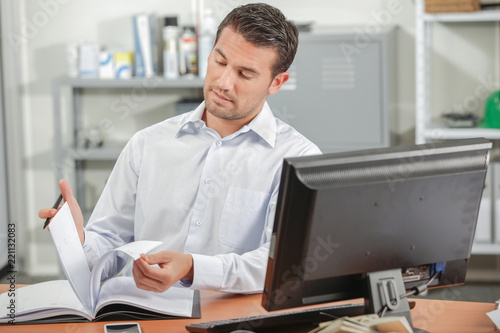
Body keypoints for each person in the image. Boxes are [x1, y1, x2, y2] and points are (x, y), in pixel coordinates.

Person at [39, 3, 321, 294]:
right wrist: (76, 239)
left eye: (245, 74)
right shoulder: (147, 144)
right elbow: (106, 250)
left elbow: (282, 265)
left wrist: (191, 268)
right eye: (220, 62)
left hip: (235, 321)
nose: (223, 83)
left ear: (277, 82)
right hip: (151, 317)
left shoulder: (298, 159)